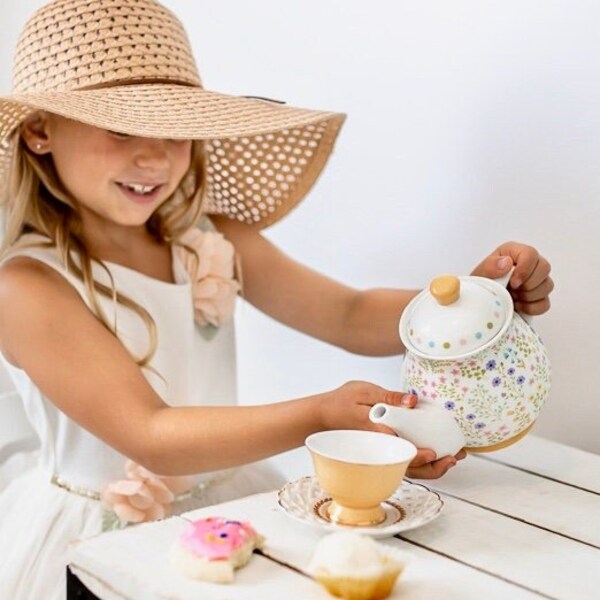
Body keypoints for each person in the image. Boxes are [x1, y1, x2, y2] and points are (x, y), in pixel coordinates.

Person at [0, 0, 553, 597]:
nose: (154, 156)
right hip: (104, 534)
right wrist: (320, 416)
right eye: (122, 127)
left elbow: (349, 314)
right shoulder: (28, 287)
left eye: (174, 128)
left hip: (228, 507)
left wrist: (467, 305)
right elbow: (149, 431)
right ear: (39, 132)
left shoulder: (211, 242)